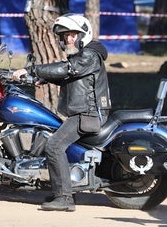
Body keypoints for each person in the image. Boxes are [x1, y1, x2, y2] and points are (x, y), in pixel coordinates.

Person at [12, 13, 111, 212]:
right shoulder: (84, 56)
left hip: (89, 114)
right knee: (54, 141)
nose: (69, 39)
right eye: (66, 36)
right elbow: (74, 78)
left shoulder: (90, 54)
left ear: (84, 34)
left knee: (54, 146)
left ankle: (65, 198)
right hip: (83, 112)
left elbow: (69, 69)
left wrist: (32, 71)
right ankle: (62, 188)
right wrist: (46, 79)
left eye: (73, 34)